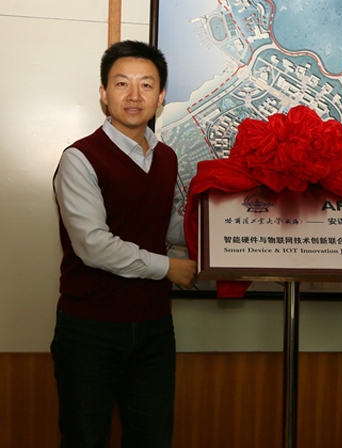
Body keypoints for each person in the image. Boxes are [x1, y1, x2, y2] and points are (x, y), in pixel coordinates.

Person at [51, 40, 198, 448]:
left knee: (153, 438)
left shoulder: (167, 158)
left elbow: (168, 225)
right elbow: (94, 245)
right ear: (104, 93)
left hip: (154, 327)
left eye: (146, 85)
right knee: (84, 439)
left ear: (161, 96)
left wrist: (209, 246)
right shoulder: (80, 158)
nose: (134, 96)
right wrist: (170, 268)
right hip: (89, 330)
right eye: (122, 84)